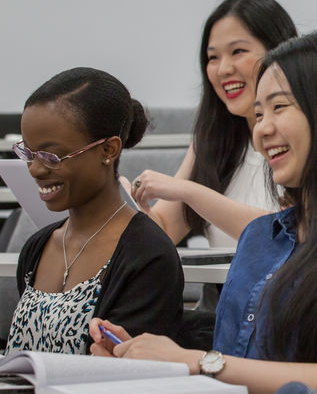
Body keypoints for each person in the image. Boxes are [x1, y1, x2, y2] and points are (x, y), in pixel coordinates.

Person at [90, 30, 317, 394]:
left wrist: (194, 362)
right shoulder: (261, 236)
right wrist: (148, 360)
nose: (262, 129)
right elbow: (232, 373)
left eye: (279, 108)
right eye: (259, 114)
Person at [4, 67, 184, 356]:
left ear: (108, 150)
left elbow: (135, 374)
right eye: (29, 153)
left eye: (52, 156)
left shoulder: (148, 254)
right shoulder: (38, 247)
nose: (36, 169)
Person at [130, 0, 298, 247]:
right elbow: (163, 231)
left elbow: (286, 233)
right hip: (226, 288)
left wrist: (189, 192)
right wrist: (126, 204)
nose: (223, 69)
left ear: (279, 51)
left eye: (238, 51)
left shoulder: (305, 134)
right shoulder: (212, 140)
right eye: (213, 58)